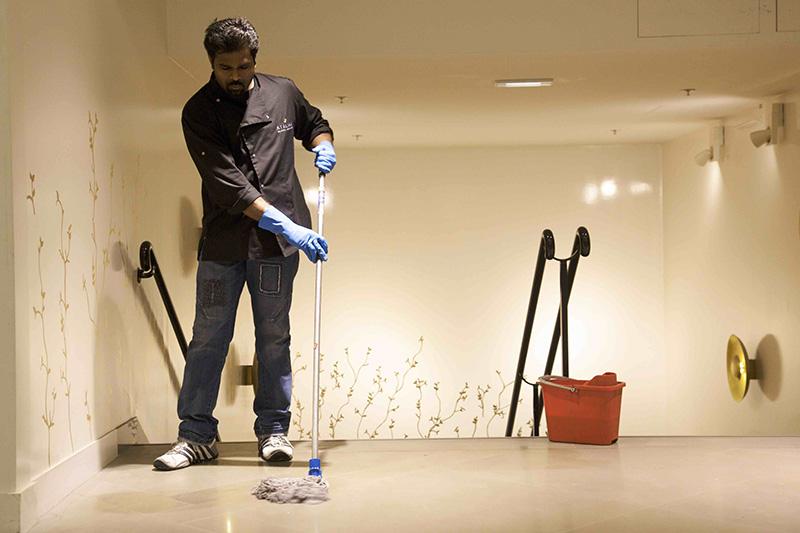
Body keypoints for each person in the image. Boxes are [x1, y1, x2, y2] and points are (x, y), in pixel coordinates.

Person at [153, 17, 336, 471]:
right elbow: (230, 187)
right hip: (224, 245)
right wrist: (289, 227)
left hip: (276, 252)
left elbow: (314, 122)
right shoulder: (198, 112)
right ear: (211, 64)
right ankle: (196, 436)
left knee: (273, 337)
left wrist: (322, 144)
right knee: (208, 338)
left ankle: (273, 431)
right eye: (224, 68)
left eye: (242, 66)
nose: (235, 76)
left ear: (254, 58)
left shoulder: (283, 92)